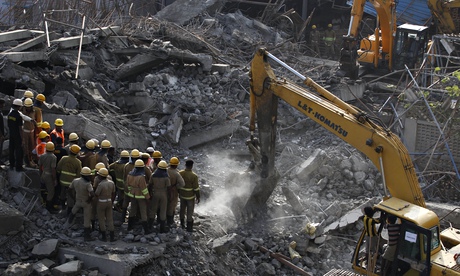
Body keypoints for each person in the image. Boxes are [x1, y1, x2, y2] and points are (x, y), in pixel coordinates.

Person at [67, 166, 95, 241]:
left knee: (73, 211)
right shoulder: (87, 183)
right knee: (87, 219)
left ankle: (67, 224)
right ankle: (87, 236)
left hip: (78, 200)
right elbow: (92, 194)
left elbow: (69, 190)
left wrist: (73, 197)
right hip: (86, 202)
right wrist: (89, 200)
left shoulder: (75, 180)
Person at [126, 159, 151, 234]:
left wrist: (132, 191)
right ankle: (146, 230)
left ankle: (129, 227)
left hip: (132, 194)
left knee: (132, 210)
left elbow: (128, 185)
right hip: (140, 196)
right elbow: (144, 188)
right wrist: (147, 197)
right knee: (143, 211)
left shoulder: (129, 174)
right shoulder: (141, 177)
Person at [56, 144, 82, 214]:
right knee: (70, 195)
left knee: (62, 192)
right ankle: (69, 210)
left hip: (62, 180)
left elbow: (58, 168)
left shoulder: (64, 158)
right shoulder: (78, 162)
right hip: (71, 182)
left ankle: (62, 206)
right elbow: (79, 174)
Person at [149, 160, 171, 233]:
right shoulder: (166, 176)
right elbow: (168, 188)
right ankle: (162, 228)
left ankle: (150, 226)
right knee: (163, 210)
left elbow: (150, 185)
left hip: (155, 193)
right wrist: (169, 196)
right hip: (163, 194)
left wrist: (150, 193)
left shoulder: (153, 175)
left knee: (153, 210)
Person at [95, 167, 116, 242]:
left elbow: (97, 194)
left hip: (101, 202)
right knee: (110, 219)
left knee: (101, 219)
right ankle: (112, 237)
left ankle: (104, 236)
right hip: (109, 201)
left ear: (101, 176)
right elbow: (113, 193)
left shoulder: (101, 184)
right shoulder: (111, 183)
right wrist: (112, 201)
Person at [179, 159, 200, 232]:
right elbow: (196, 188)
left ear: (185, 165)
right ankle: (189, 228)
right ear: (192, 166)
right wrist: (198, 196)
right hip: (190, 197)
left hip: (182, 195)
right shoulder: (194, 176)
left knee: (182, 209)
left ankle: (182, 224)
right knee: (190, 211)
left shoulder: (180, 173)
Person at [38, 141, 58, 213]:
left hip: (43, 174)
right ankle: (48, 207)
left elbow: (40, 166)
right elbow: (53, 169)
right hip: (49, 175)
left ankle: (43, 201)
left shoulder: (42, 156)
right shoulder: (53, 157)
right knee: (51, 191)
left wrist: (40, 174)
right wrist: (54, 179)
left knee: (43, 189)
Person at [166, 157, 185, 227]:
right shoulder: (176, 173)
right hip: (173, 191)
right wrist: (176, 187)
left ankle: (162, 219)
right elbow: (182, 184)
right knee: (172, 205)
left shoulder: (165, 170)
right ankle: (170, 221)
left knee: (165, 204)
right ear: (176, 165)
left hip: (165, 190)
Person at [8, 99, 25, 171]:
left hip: (11, 134)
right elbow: (20, 128)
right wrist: (23, 139)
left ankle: (11, 165)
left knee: (11, 150)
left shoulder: (10, 115)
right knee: (19, 151)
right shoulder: (18, 116)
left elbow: (9, 125)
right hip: (17, 136)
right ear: (19, 107)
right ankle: (18, 167)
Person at [22, 98, 37, 167]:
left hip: (32, 131)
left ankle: (31, 160)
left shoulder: (33, 111)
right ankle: (27, 161)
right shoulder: (22, 112)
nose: (28, 108)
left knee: (31, 146)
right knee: (26, 147)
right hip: (25, 131)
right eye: (26, 107)